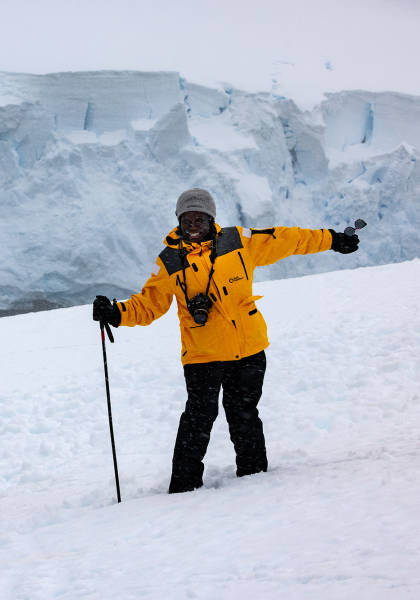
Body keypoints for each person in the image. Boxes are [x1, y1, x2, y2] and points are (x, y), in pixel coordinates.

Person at [92, 189, 360, 494]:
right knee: (197, 421)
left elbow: (287, 239)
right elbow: (149, 304)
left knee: (244, 415)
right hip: (203, 355)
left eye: (200, 218)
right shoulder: (168, 261)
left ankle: (255, 479)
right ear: (179, 221)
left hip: (248, 349)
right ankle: (183, 488)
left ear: (211, 218)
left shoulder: (239, 241)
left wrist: (332, 239)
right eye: (187, 219)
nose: (194, 224)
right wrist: (116, 312)